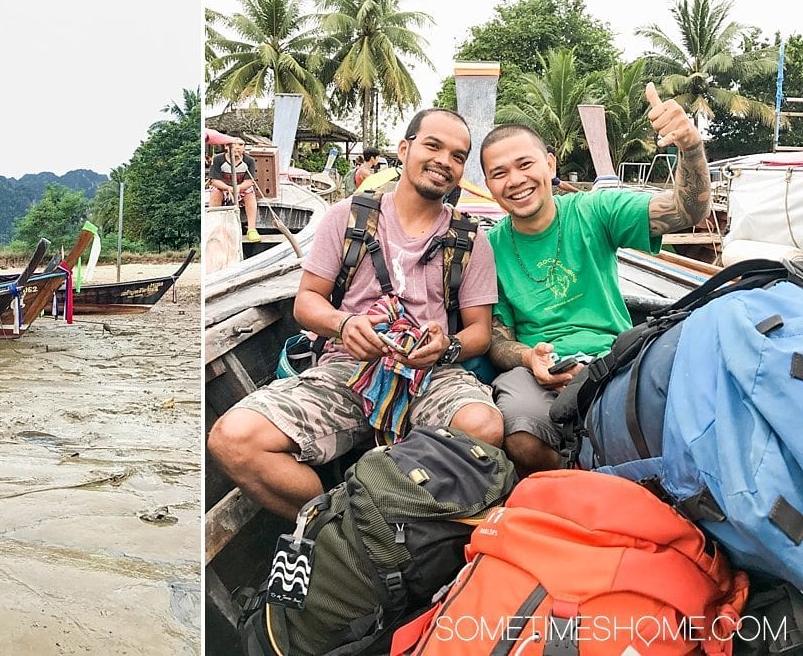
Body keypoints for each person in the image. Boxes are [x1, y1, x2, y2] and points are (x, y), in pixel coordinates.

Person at [208, 108, 503, 520]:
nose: (444, 161)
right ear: (405, 149)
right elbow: (307, 302)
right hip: (346, 371)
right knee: (233, 439)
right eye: (432, 146)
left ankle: (387, 528)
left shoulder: (471, 240)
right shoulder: (347, 217)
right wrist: (343, 324)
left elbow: (480, 333)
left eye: (457, 156)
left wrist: (446, 345)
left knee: (484, 428)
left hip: (429, 376)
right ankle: (339, 531)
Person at [482, 84, 711, 476]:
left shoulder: (595, 209)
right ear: (488, 185)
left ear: (550, 166)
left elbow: (685, 211)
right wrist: (530, 358)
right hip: (542, 370)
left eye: (525, 164)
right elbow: (497, 338)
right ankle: (581, 488)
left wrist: (690, 146)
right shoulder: (488, 249)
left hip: (616, 355)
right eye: (499, 173)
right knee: (520, 432)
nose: (515, 180)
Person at [208, 138, 260, 243]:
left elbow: (249, 181)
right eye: (234, 144)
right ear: (226, 146)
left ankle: (251, 229)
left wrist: (238, 188)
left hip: (241, 188)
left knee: (250, 193)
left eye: (241, 144)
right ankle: (215, 226)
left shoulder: (249, 161)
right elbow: (214, 180)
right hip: (224, 188)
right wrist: (228, 188)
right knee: (215, 192)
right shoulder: (218, 159)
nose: (237, 147)